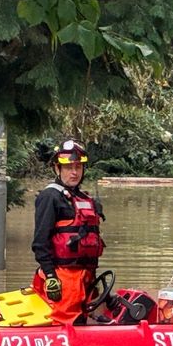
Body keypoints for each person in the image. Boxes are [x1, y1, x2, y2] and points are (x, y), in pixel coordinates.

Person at [31, 139, 105, 325]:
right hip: (62, 277)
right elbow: (40, 242)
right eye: (69, 167)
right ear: (58, 168)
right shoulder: (50, 197)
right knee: (64, 323)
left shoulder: (85, 199)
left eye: (78, 167)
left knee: (83, 322)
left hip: (86, 277)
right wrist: (50, 276)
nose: (74, 172)